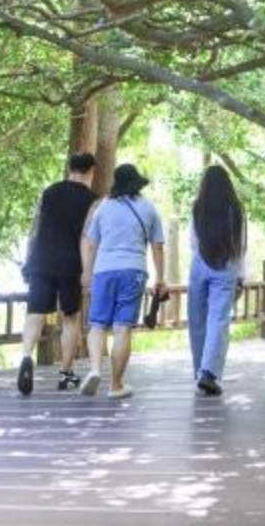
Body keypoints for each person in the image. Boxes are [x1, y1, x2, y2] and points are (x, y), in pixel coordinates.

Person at [80, 163, 167, 399]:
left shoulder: (104, 207)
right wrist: (160, 278)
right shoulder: (149, 208)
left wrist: (87, 273)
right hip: (133, 271)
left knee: (97, 325)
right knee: (122, 328)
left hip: (104, 271)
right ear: (137, 183)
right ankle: (116, 385)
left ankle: (96, 369)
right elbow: (157, 245)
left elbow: (90, 243)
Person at [17, 151, 98, 396]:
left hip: (41, 260)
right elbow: (90, 238)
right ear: (91, 172)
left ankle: (25, 357)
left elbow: (35, 229)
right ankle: (66, 374)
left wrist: (29, 260)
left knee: (35, 314)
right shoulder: (94, 200)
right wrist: (88, 270)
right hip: (71, 264)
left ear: (68, 168)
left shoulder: (49, 192)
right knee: (71, 318)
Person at [187, 165, 247, 396]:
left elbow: (192, 241)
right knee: (218, 319)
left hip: (200, 263)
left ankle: (199, 371)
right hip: (226, 264)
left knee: (197, 319)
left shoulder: (198, 207)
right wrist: (241, 274)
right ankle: (208, 373)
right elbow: (240, 245)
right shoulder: (236, 209)